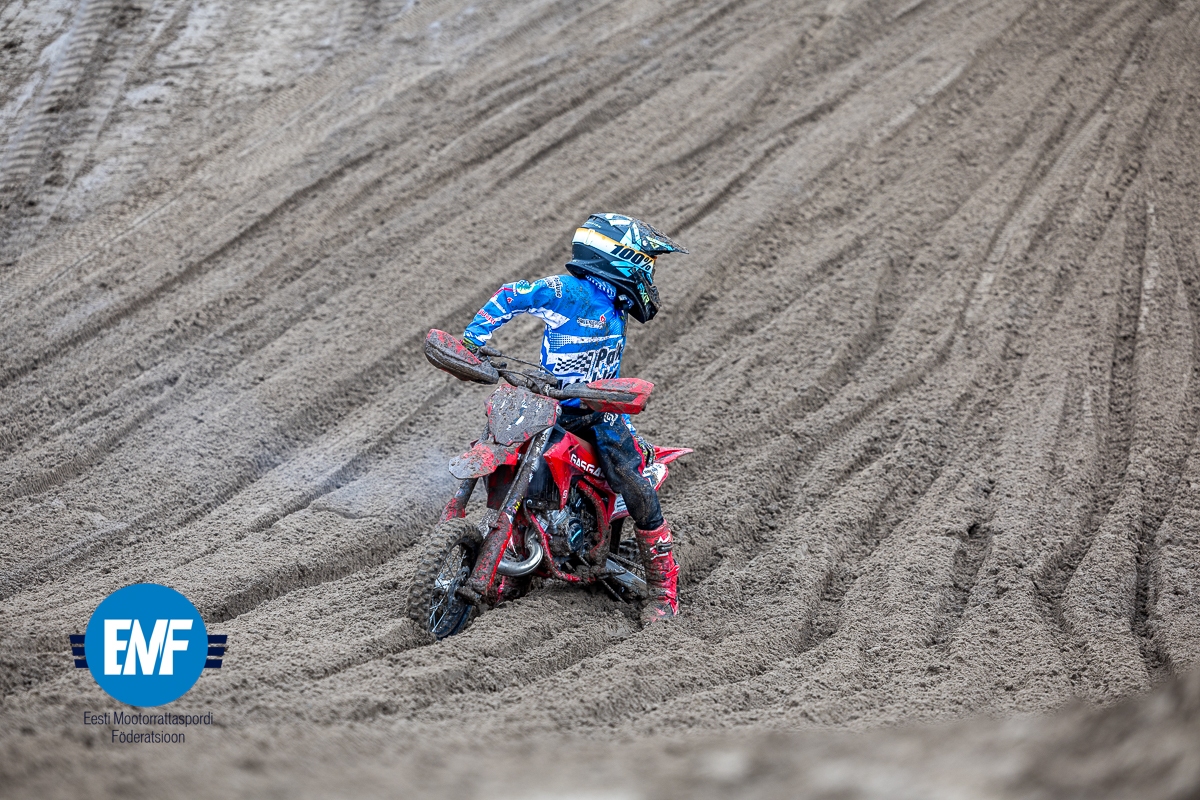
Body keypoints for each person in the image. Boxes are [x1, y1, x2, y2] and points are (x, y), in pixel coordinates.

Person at [461, 213, 688, 624]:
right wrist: (475, 339)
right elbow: (514, 293)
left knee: (631, 478)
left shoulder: (615, 302)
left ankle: (663, 588)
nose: (650, 274)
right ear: (622, 258)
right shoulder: (567, 291)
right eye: (647, 264)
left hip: (599, 412)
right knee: (519, 468)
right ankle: (517, 570)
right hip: (550, 405)